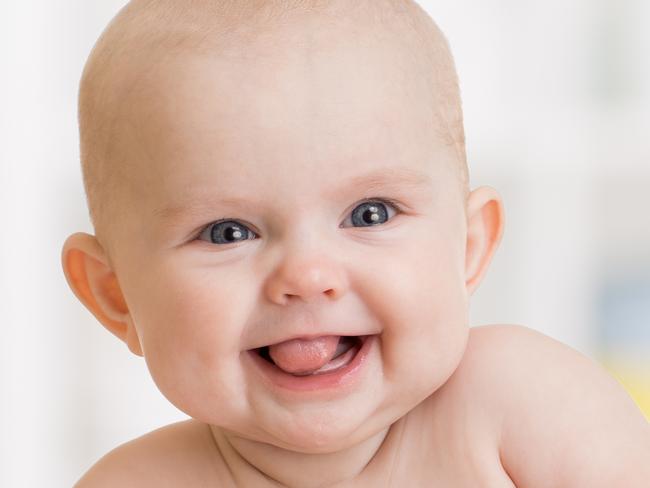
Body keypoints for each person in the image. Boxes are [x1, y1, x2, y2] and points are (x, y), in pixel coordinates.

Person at [61, 0, 650, 486]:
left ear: (467, 247)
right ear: (116, 297)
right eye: (228, 232)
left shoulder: (523, 406)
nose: (308, 273)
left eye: (369, 214)